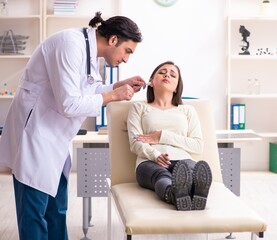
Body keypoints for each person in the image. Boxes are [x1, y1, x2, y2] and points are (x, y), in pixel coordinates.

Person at [0, 12, 145, 240]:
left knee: (57, 210)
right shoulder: (69, 45)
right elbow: (69, 103)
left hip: (54, 137)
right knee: (34, 213)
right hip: (35, 134)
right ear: (114, 40)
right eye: (127, 51)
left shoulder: (88, 51)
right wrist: (113, 95)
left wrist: (117, 86)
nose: (126, 59)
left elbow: (88, 90)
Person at [127, 61, 212, 211]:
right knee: (161, 176)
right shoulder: (139, 108)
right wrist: (155, 155)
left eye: (173, 75)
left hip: (184, 160)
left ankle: (196, 193)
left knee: (191, 172)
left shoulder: (187, 111)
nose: (167, 75)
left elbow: (198, 145)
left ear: (177, 87)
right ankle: (174, 195)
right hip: (149, 161)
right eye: (162, 72)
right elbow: (136, 142)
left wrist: (162, 136)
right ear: (151, 82)